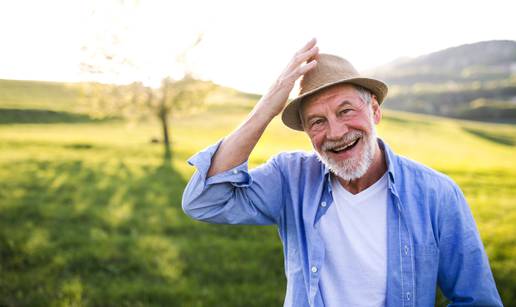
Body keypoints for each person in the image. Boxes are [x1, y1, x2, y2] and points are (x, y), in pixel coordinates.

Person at [181, 38, 503, 307]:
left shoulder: (437, 195)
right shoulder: (291, 179)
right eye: (317, 122)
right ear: (306, 132)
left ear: (375, 110)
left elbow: (477, 300)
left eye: (345, 110)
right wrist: (268, 105)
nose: (335, 132)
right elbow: (205, 199)